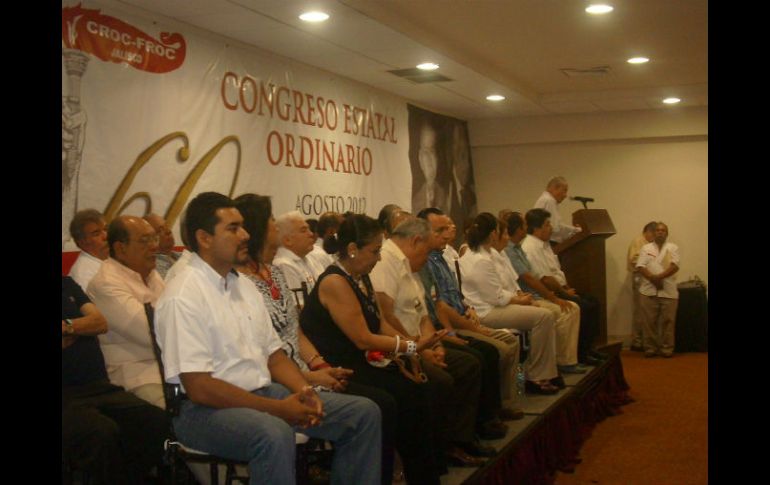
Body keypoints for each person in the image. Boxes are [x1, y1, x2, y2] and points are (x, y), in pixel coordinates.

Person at [155, 192, 382, 485]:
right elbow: (200, 388)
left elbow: (274, 356)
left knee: (363, 414)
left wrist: (305, 391)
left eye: (243, 226)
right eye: (233, 228)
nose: (246, 235)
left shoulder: (242, 286)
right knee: (273, 433)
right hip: (203, 412)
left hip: (261, 393)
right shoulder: (183, 295)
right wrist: (280, 409)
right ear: (204, 238)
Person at [234, 194, 398, 484]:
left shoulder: (273, 274)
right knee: (373, 407)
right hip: (273, 383)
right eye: (272, 221)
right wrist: (309, 377)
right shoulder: (238, 284)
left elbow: (295, 331)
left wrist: (319, 365)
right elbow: (262, 354)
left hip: (299, 373)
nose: (275, 226)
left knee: (377, 405)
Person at [300, 212, 447, 484]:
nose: (379, 258)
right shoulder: (335, 281)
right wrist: (411, 346)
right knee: (388, 400)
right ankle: (384, 474)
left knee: (416, 390)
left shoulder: (360, 276)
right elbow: (363, 339)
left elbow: (379, 324)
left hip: (361, 361)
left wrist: (409, 351)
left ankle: (422, 474)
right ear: (353, 250)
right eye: (375, 251)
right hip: (338, 368)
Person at [369, 216, 492, 467]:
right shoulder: (385, 262)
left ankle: (461, 439)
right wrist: (419, 350)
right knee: (443, 380)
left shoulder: (409, 264)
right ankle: (443, 448)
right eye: (425, 252)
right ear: (415, 241)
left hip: (421, 341)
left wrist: (434, 344)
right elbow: (387, 317)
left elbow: (423, 313)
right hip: (400, 346)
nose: (427, 258)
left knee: (471, 362)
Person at [417, 208, 524, 423]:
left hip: (462, 317)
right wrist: (454, 331)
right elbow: (437, 307)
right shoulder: (425, 262)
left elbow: (453, 295)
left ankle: (503, 405)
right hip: (444, 327)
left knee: (508, 342)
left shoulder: (441, 257)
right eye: (440, 230)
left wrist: (468, 309)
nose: (447, 233)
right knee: (490, 351)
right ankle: (486, 416)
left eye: (447, 228)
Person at [62, 276, 169, 485]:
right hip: (66, 396)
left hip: (99, 387)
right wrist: (80, 326)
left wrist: (67, 326)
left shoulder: (67, 284)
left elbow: (99, 322)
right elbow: (89, 323)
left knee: (158, 421)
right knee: (100, 432)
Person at [459, 212, 560, 394]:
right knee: (543, 316)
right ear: (492, 234)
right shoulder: (479, 259)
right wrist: (520, 300)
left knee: (544, 313)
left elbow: (508, 284)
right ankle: (536, 375)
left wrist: (520, 298)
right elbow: (496, 297)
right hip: (486, 311)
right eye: (499, 231)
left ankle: (544, 371)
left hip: (497, 305)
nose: (501, 235)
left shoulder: (490, 253)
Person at [87, 215, 166, 408]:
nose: (155, 246)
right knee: (182, 416)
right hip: (138, 376)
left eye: (154, 238)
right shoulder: (106, 283)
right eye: (145, 241)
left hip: (171, 369)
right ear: (120, 248)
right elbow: (154, 335)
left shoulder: (151, 274)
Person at [502, 212, 587, 372]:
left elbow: (536, 276)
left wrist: (556, 294)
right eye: (524, 225)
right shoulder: (511, 250)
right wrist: (554, 298)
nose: (526, 228)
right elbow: (530, 278)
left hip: (532, 295)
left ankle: (566, 359)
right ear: (519, 229)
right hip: (524, 298)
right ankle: (561, 362)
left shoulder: (518, 248)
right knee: (564, 310)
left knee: (572, 307)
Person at [521, 208, 606, 365]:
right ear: (537, 228)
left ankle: (589, 348)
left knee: (593, 301)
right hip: (548, 292)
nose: (551, 228)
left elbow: (557, 271)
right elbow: (545, 279)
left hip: (560, 289)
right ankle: (580, 354)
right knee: (583, 306)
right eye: (547, 225)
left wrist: (566, 288)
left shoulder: (544, 245)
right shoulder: (530, 247)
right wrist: (564, 292)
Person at [636, 222, 680, 358]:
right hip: (648, 290)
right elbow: (640, 266)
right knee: (648, 322)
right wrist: (653, 279)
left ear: (667, 233)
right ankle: (650, 349)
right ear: (654, 233)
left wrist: (659, 278)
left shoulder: (673, 247)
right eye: (658, 230)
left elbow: (675, 266)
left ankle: (667, 349)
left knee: (668, 322)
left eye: (663, 230)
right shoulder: (646, 248)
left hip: (668, 290)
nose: (660, 232)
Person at [273, 211, 326, 302]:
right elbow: (299, 306)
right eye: (303, 230)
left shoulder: (309, 257)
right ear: (287, 240)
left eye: (309, 229)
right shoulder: (283, 265)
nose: (311, 234)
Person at [627, 221, 658, 351]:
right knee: (640, 310)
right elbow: (634, 259)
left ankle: (648, 340)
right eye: (655, 234)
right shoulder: (638, 242)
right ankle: (637, 341)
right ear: (648, 232)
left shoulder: (652, 243)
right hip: (641, 277)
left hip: (651, 279)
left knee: (649, 311)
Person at [533, 176, 581, 244]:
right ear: (555, 188)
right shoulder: (549, 201)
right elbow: (555, 228)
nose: (565, 195)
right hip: (549, 242)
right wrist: (575, 231)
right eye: (564, 190)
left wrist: (573, 231)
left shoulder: (545, 199)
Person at [69, 209, 109, 290]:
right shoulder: (83, 275)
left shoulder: (114, 258)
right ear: (82, 242)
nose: (106, 236)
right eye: (96, 234)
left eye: (105, 229)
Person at [412, 123, 447, 213]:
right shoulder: (415, 202)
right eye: (426, 153)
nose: (430, 163)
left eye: (432, 152)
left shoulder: (446, 196)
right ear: (420, 158)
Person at [144, 213, 184, 279]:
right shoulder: (154, 268)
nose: (168, 231)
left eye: (167, 227)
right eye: (160, 231)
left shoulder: (181, 255)